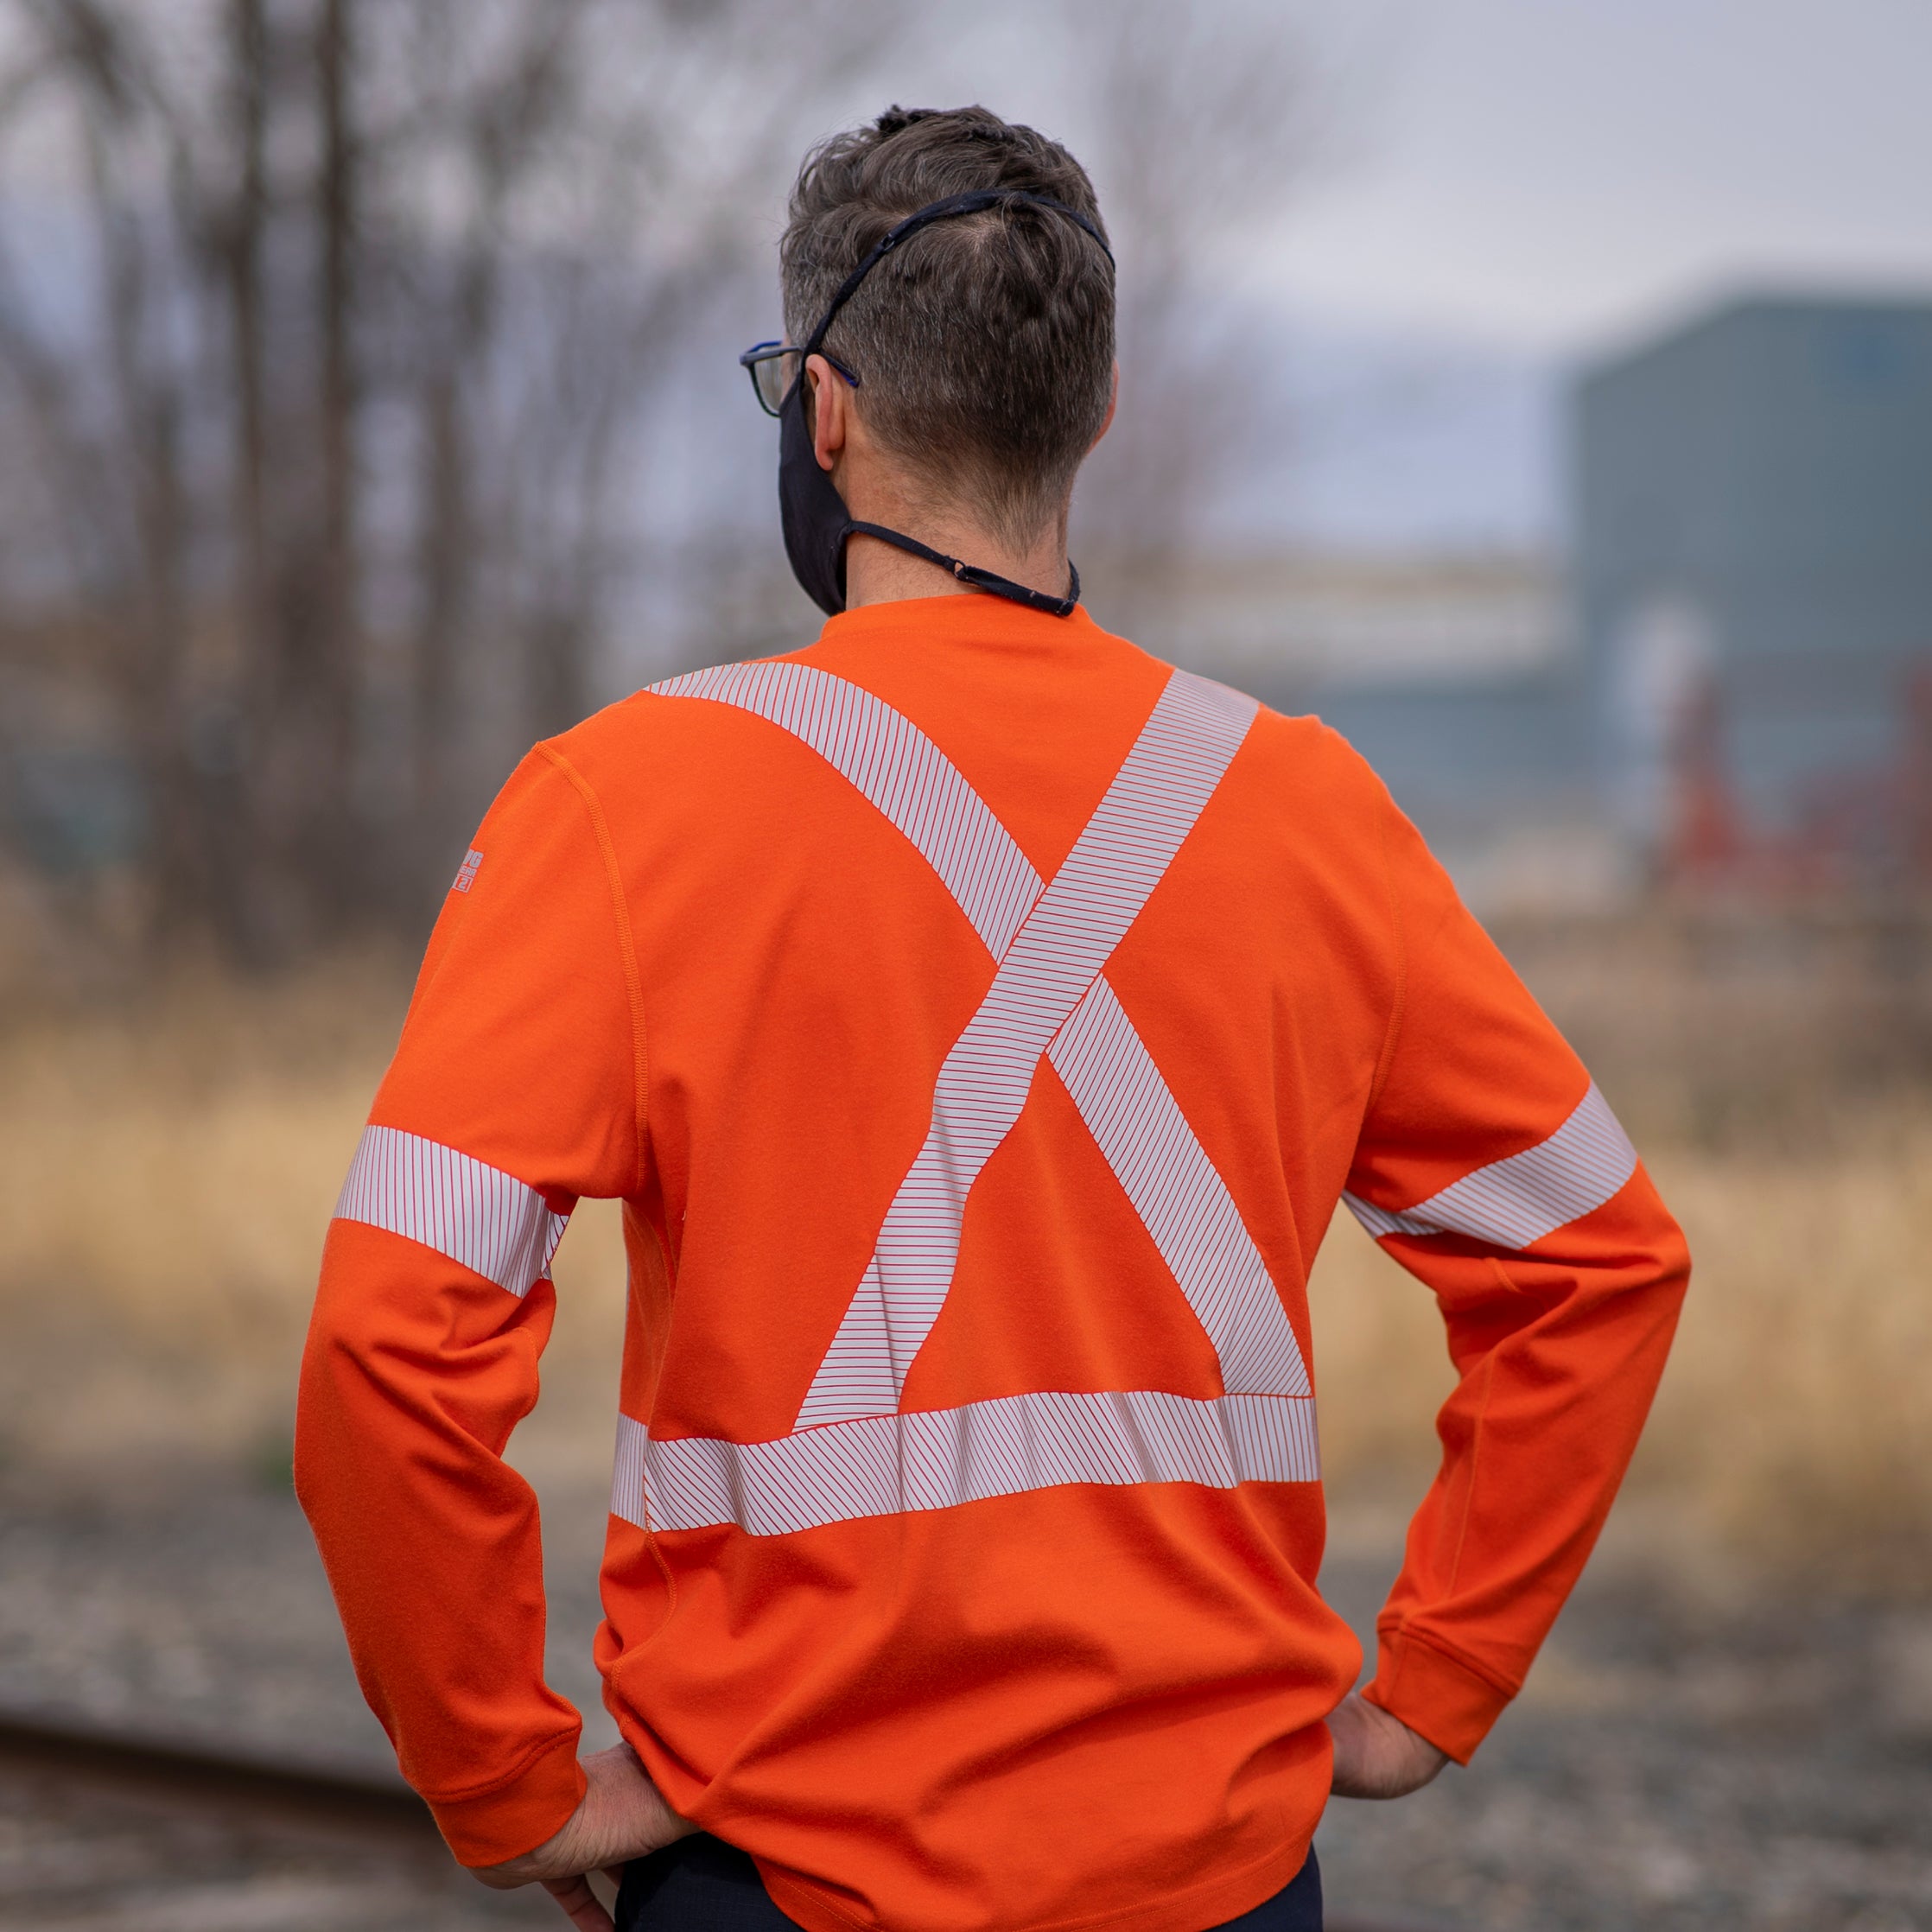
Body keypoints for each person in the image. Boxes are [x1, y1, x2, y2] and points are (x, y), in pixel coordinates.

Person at [296, 105, 1688, 1932]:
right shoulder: (1305, 808)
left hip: (778, 1874)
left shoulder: (621, 805)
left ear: (824, 414)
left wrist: (503, 1776)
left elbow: (388, 1348)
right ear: (1094, 412)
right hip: (1223, 1876)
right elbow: (1596, 1258)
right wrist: (1433, 1678)